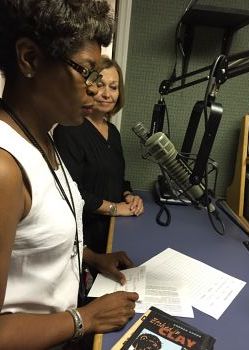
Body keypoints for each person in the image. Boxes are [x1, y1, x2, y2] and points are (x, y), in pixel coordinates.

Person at [0, 1, 139, 349]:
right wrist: (86, 318)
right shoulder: (4, 168)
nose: (95, 89)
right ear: (29, 58)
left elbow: (33, 243)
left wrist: (93, 257)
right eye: (87, 71)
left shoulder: (43, 138)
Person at [53, 55, 144, 254]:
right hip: (83, 240)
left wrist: (129, 196)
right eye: (100, 85)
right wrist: (114, 208)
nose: (106, 94)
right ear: (88, 87)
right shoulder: (68, 130)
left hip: (112, 229)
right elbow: (72, 192)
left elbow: (115, 178)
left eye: (113, 87)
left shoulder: (113, 132)